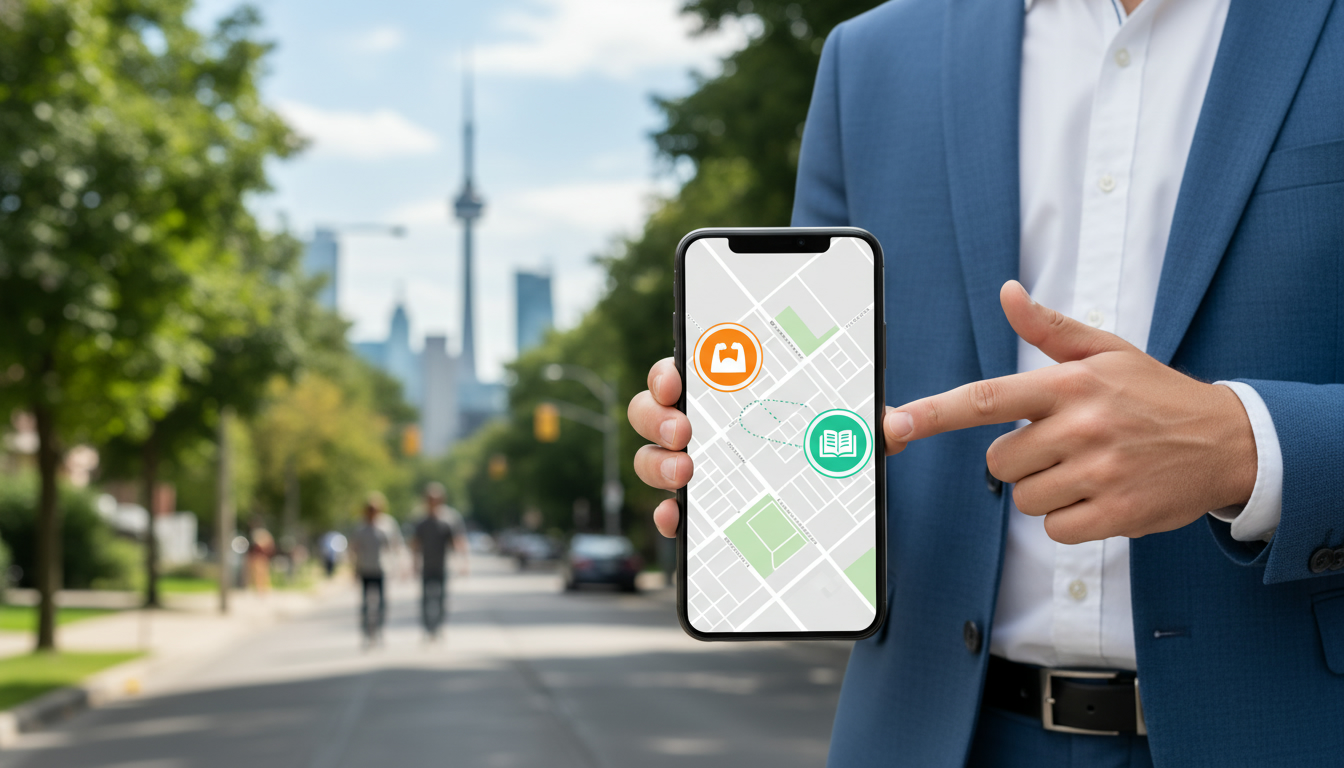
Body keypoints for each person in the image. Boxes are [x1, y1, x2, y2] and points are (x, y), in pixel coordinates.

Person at [628, 1, 1344, 765]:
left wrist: (1251, 447)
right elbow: (826, 408)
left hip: (1289, 730)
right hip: (934, 736)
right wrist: (753, 461)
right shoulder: (870, 59)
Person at [411, 482, 468, 639]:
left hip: (442, 565)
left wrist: (463, 562)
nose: (432, 501)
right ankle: (427, 628)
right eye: (429, 498)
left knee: (442, 598)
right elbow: (415, 544)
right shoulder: (420, 520)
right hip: (426, 565)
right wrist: (413, 564)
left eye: (435, 499)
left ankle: (439, 626)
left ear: (442, 499)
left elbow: (458, 541)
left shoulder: (450, 518)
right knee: (425, 599)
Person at [350, 493, 391, 645]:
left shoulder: (386, 526)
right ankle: (366, 631)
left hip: (381, 568)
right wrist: (354, 570)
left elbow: (393, 546)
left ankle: (380, 630)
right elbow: (354, 549)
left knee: (381, 603)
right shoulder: (360, 528)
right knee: (365, 603)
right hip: (365, 569)